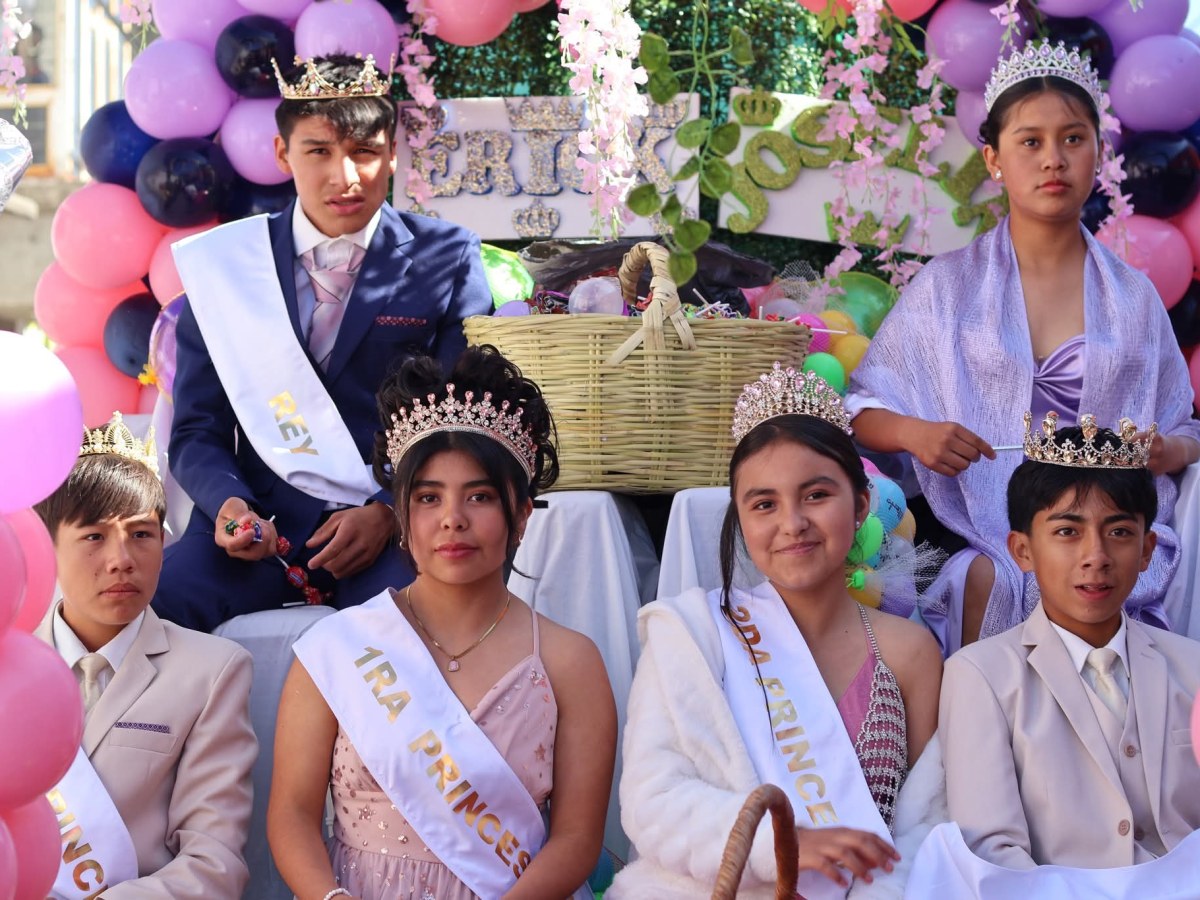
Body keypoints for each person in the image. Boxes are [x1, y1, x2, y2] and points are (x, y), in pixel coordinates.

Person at [846, 39, 1200, 652]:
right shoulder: (947, 287)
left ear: (1098, 151)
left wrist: (1166, 449)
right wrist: (916, 434)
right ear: (994, 159)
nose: (1053, 160)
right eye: (1030, 142)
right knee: (992, 577)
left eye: (1073, 138)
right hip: (986, 530)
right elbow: (859, 409)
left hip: (1108, 528)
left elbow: (1184, 427)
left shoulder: (1133, 296)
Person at [155, 53, 493, 632]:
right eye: (319, 151)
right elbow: (196, 430)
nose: (346, 176)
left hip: (398, 529)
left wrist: (391, 511)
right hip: (262, 528)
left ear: (392, 152)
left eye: (364, 152)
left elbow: (460, 415)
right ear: (283, 153)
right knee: (152, 605)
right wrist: (232, 508)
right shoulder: (230, 266)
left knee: (428, 633)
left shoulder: (448, 256)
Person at [267, 346, 616, 900]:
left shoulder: (569, 661)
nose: (452, 518)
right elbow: (290, 813)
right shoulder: (339, 648)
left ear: (521, 515)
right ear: (402, 516)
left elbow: (576, 837)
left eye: (478, 496)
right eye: (429, 498)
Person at [610, 364, 945, 899]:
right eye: (764, 504)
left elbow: (927, 825)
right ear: (741, 519)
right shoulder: (695, 635)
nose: (792, 523)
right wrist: (782, 842)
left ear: (860, 505)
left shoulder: (909, 652)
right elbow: (652, 802)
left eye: (816, 495)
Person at [923, 416, 1200, 893]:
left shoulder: (1191, 666)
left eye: (1119, 532)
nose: (1096, 556)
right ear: (1022, 550)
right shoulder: (980, 677)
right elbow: (993, 850)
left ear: (1148, 548)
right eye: (1068, 532)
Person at [33, 413, 256, 898]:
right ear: (48, 547)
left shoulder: (211, 671)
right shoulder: (13, 666)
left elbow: (214, 862)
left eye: (141, 534)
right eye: (94, 537)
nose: (122, 559)